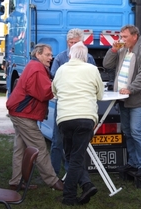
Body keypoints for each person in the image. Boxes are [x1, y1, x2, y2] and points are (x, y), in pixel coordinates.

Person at [6, 43, 64, 191]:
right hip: (23, 114)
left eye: (51, 55)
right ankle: (53, 181)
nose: (51, 58)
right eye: (48, 54)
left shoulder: (34, 66)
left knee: (20, 148)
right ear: (38, 55)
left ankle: (16, 181)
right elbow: (45, 93)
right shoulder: (37, 69)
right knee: (40, 147)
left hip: (18, 111)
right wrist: (62, 88)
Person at [52, 41, 104, 206]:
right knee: (76, 157)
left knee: (70, 155)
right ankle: (72, 195)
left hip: (65, 118)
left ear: (69, 55)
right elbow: (100, 95)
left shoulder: (61, 70)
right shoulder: (92, 69)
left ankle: (83, 187)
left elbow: (54, 92)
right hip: (85, 117)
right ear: (87, 57)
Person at [103, 25, 141, 177]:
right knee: (127, 131)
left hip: (137, 98)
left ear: (135, 36)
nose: (122, 40)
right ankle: (133, 162)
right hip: (122, 98)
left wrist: (130, 88)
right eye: (121, 37)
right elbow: (107, 64)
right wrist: (112, 50)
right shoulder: (123, 49)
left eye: (125, 37)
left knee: (135, 130)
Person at [50, 28, 96, 177]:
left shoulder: (89, 58)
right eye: (71, 42)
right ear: (67, 43)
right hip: (64, 103)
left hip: (80, 104)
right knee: (57, 140)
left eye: (76, 42)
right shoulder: (60, 58)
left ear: (82, 42)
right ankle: (54, 174)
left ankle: (72, 173)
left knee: (75, 144)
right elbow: (54, 79)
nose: (73, 45)